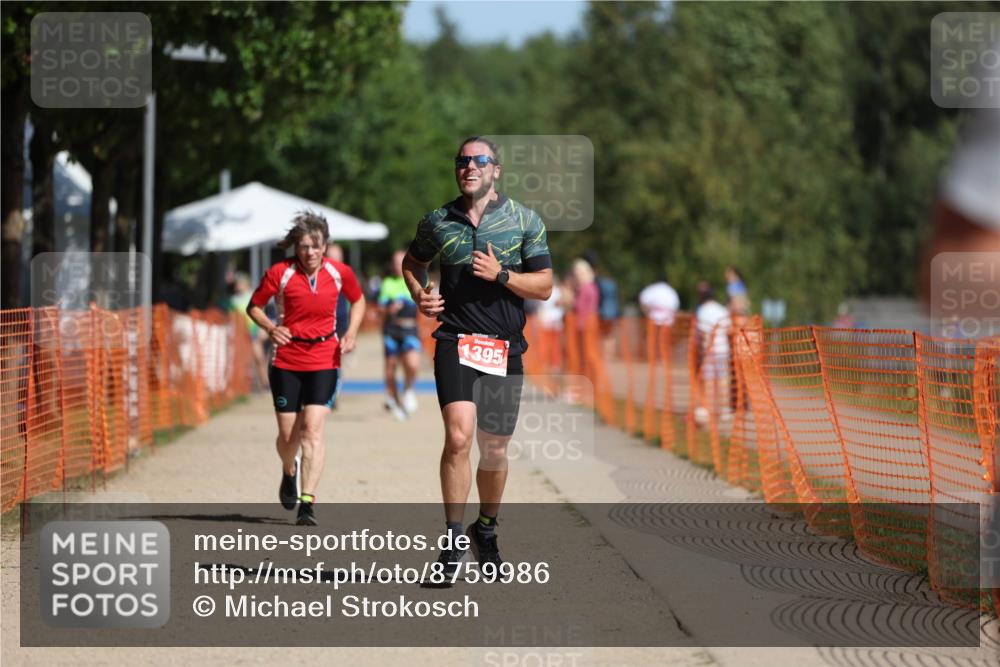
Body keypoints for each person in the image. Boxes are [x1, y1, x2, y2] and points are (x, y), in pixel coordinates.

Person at [402, 136, 553, 581]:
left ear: (496, 170)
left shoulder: (524, 220)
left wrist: (503, 275)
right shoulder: (438, 221)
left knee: (495, 449)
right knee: (458, 437)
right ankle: (452, 542)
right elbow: (412, 264)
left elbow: (544, 286)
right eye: (462, 161)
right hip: (455, 340)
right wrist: (420, 295)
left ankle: (485, 529)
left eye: (478, 160)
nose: (469, 167)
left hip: (505, 346)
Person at [246, 211, 366, 526]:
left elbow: (359, 301)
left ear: (325, 245)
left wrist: (351, 332)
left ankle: (307, 501)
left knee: (311, 429)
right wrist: (271, 328)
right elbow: (254, 306)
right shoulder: (280, 273)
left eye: (315, 246)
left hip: (325, 358)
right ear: (295, 248)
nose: (309, 252)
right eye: (303, 246)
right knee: (288, 436)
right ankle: (289, 470)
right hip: (286, 359)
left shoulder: (340, 273)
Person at [378, 249, 422, 420]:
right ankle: (396, 402)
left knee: (412, 364)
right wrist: (389, 309)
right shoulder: (387, 283)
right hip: (391, 330)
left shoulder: (415, 280)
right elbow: (380, 310)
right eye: (395, 262)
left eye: (401, 261)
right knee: (390, 370)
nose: (398, 265)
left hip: (410, 329)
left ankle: (409, 389)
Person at [694, 282, 731, 426]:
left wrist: (701, 351)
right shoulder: (722, 310)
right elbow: (728, 329)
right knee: (723, 380)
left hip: (709, 351)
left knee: (709, 381)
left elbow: (702, 333)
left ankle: (708, 410)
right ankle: (725, 410)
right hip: (723, 350)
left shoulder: (702, 310)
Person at [229, 272, 269, 391]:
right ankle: (248, 384)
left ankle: (264, 382)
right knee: (245, 359)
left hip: (254, 330)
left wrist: (263, 328)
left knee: (259, 357)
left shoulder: (253, 294)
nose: (237, 286)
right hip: (240, 333)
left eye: (239, 283)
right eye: (236, 284)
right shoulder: (233, 300)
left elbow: (261, 311)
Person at [324, 242, 352, 409]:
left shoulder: (346, 276)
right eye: (332, 258)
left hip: (340, 324)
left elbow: (357, 301)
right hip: (321, 323)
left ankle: (332, 395)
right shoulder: (318, 276)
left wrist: (351, 331)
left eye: (338, 258)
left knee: (335, 361)